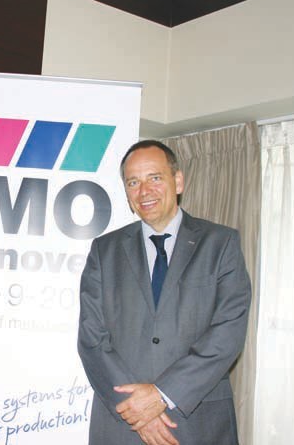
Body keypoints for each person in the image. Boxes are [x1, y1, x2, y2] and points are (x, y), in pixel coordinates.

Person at [77, 140, 251, 445]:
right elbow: (91, 338)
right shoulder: (104, 250)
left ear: (178, 181)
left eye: (155, 178)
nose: (144, 191)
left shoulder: (221, 243)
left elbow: (228, 333)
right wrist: (138, 411)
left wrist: (162, 395)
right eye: (133, 182)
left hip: (198, 422)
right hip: (123, 423)